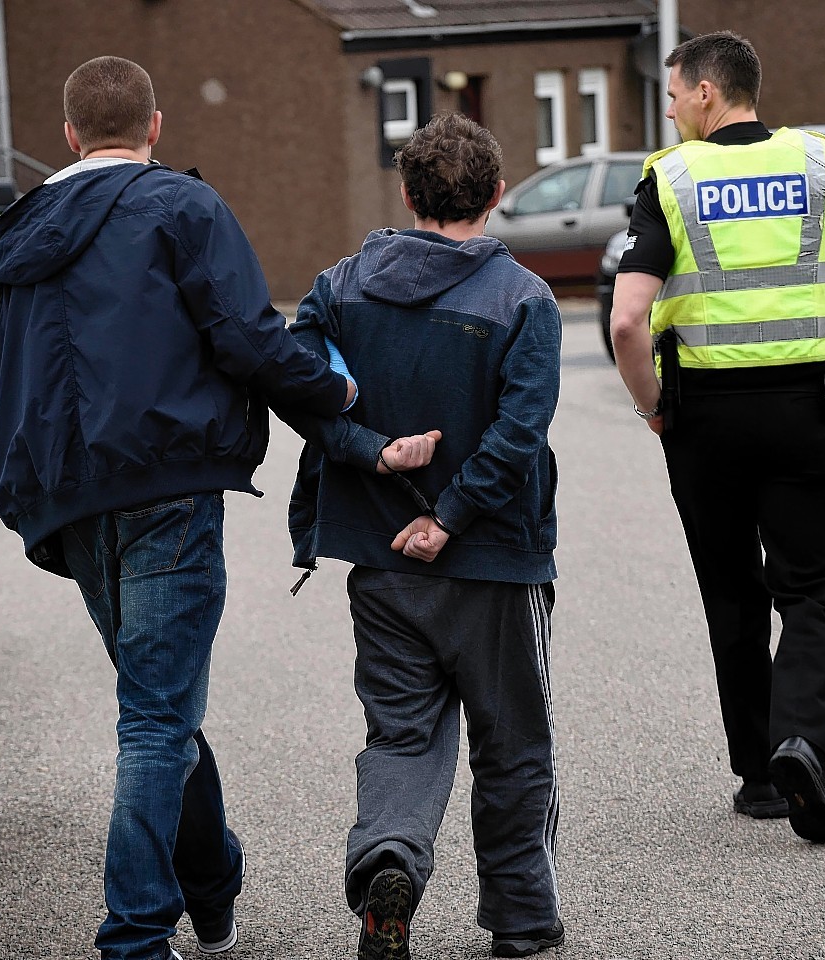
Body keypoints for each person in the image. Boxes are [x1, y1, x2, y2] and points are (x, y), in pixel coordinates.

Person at [0, 56, 365, 960]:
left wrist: (35, 474)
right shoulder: (183, 209)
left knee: (160, 706)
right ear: (155, 127)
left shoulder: (17, 236)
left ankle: (212, 882)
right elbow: (249, 335)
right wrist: (335, 398)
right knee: (155, 716)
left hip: (71, 505)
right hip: (168, 492)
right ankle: (136, 934)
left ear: (67, 136)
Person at [609, 31, 825, 844]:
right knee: (809, 595)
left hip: (704, 417)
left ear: (708, 92)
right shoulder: (820, 164)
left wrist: (652, 410)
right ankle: (800, 743)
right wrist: (811, 308)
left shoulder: (668, 179)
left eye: (674, 94)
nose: (670, 108)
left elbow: (629, 321)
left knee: (732, 594)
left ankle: (758, 778)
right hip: (807, 411)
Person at [286, 113, 565, 959]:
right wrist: (449, 519)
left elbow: (299, 390)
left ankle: (388, 863)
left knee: (402, 736)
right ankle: (521, 921)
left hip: (381, 563)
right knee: (512, 743)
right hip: (494, 564)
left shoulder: (338, 289)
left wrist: (371, 452)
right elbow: (518, 436)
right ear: (498, 195)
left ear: (406, 194)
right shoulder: (525, 300)